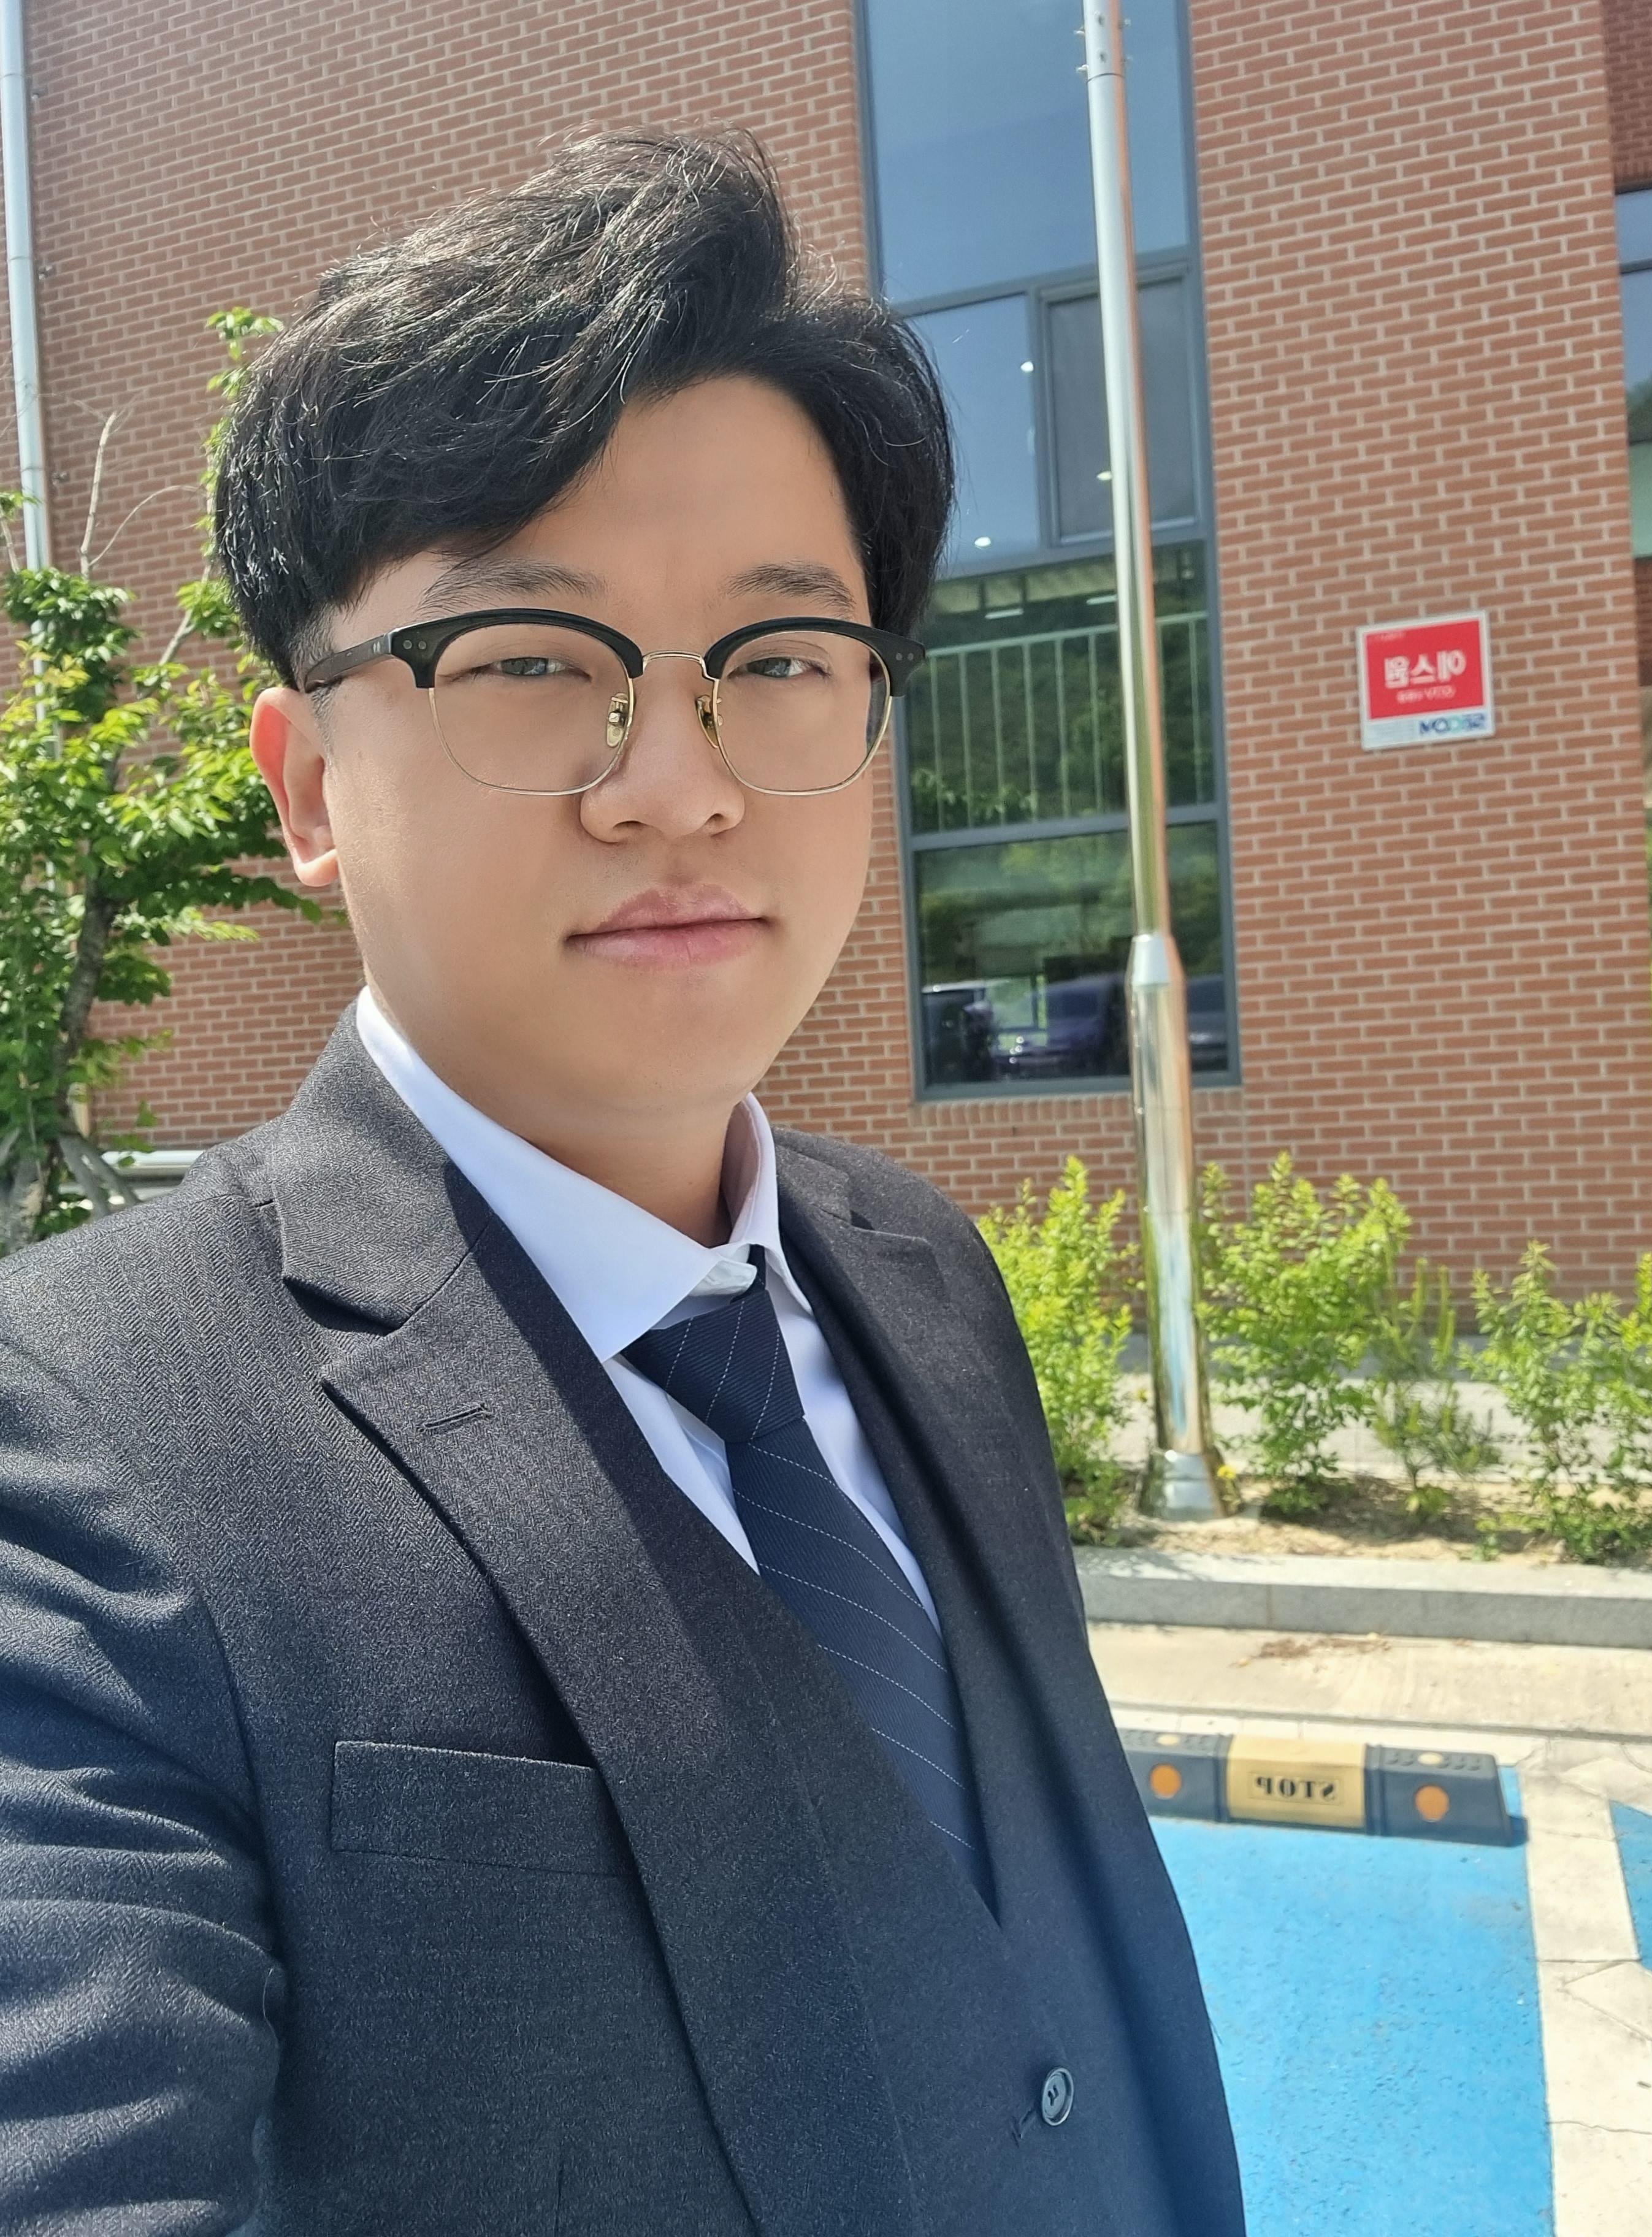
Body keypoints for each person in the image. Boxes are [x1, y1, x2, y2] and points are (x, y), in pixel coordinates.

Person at [0, 136, 1242, 2235]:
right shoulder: (75, 1439)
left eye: (781, 657)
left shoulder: (920, 1274)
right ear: (306, 786)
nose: (679, 783)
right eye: (529, 656)